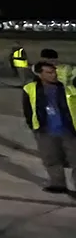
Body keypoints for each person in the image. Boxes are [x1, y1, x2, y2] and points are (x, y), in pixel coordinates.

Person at [21, 61, 76, 194]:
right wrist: (33, 126)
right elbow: (27, 109)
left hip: (69, 130)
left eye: (54, 72)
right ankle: (58, 184)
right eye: (49, 73)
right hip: (45, 131)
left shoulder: (67, 87)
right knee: (51, 159)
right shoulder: (30, 88)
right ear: (40, 74)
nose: (54, 75)